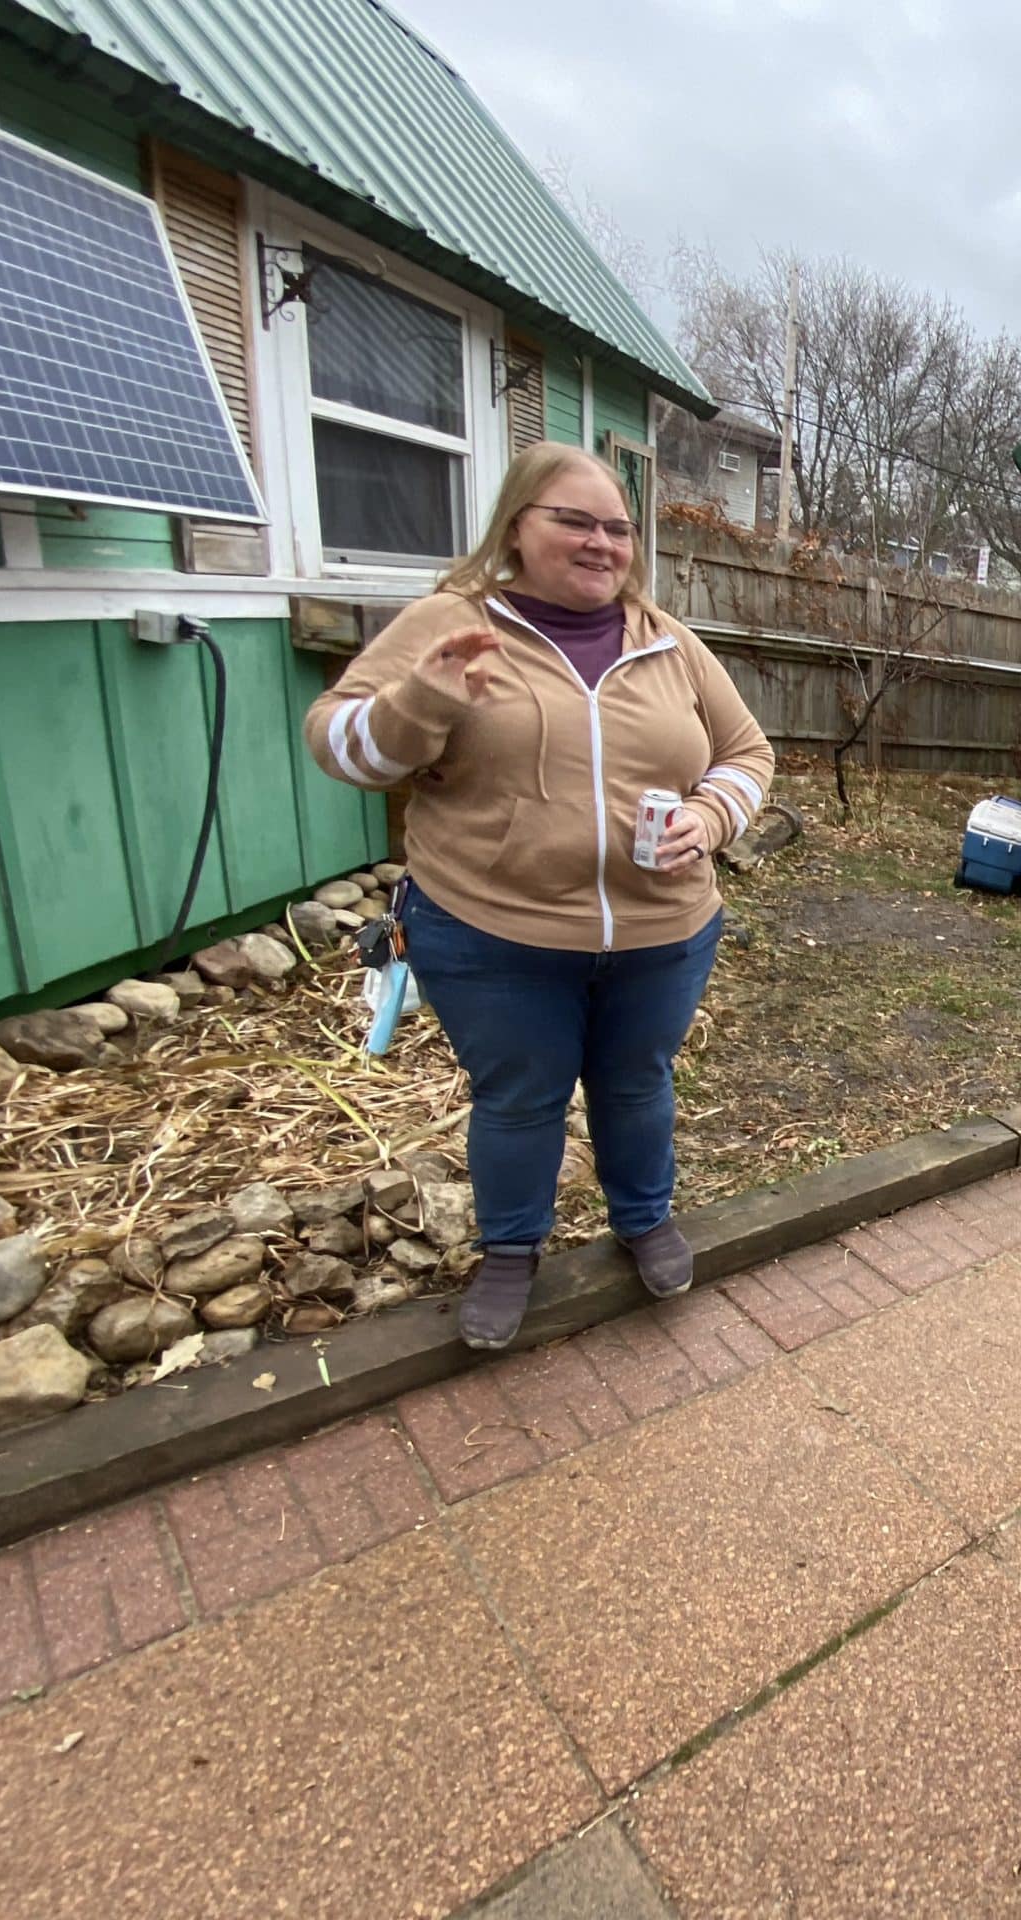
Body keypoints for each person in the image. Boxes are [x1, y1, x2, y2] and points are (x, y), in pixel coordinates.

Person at [305, 442, 774, 1351]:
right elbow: (340, 748)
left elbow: (748, 752)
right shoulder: (453, 620)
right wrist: (419, 702)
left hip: (660, 932)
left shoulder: (667, 641)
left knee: (638, 1084)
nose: (601, 543)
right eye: (574, 520)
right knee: (518, 1097)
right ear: (517, 525)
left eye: (619, 529)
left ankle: (645, 1220)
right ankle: (512, 1249)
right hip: (494, 933)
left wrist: (713, 819)